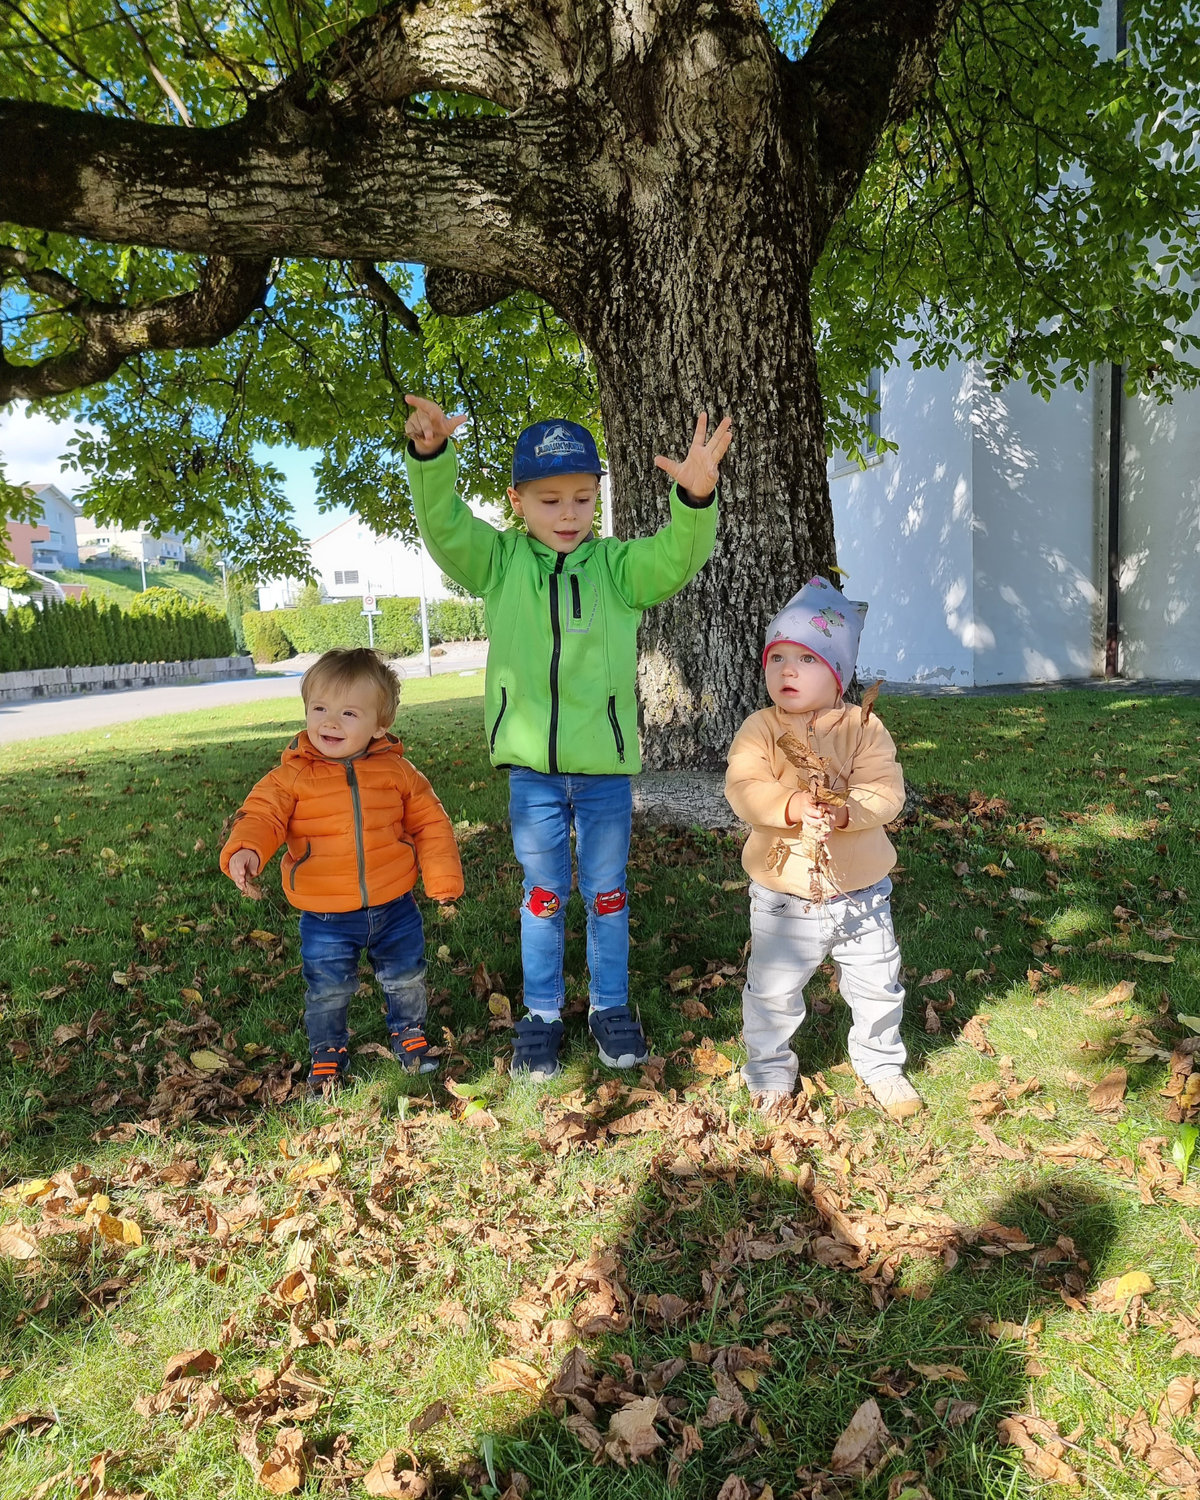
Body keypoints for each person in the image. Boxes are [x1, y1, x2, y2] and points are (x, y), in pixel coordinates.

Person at [404, 395, 732, 1081]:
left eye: (583, 498)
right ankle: (544, 1015)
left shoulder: (616, 570)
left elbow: (676, 557)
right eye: (549, 500)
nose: (568, 514)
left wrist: (695, 500)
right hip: (533, 775)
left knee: (607, 893)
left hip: (605, 772)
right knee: (545, 894)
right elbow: (443, 527)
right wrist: (432, 460)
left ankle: (610, 1006)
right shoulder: (497, 564)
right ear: (517, 501)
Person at [220, 647, 464, 1097]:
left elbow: (430, 822)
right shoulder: (291, 777)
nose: (330, 722)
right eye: (320, 709)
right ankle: (328, 1051)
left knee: (405, 974)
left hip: (395, 904)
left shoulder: (398, 772)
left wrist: (442, 876)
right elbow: (262, 815)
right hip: (327, 914)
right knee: (329, 988)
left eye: (348, 712)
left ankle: (408, 1032)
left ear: (379, 724)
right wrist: (247, 848)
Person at [724, 576, 922, 1119]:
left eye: (807, 659)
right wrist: (788, 806)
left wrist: (846, 810)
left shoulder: (864, 729)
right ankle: (768, 1070)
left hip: (860, 893)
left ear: (838, 673)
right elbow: (744, 787)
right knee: (772, 990)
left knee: (878, 983)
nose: (787, 669)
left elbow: (885, 789)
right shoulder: (759, 730)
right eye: (777, 656)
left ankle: (881, 1063)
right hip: (785, 891)